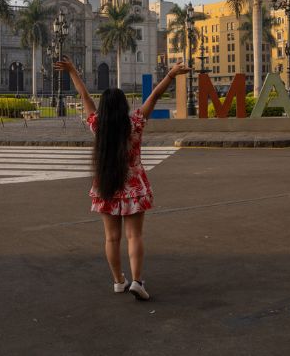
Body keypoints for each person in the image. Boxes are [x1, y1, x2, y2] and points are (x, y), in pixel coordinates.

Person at [55, 56, 189, 301]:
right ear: (123, 107)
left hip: (107, 185)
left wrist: (73, 70)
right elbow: (155, 97)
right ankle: (137, 281)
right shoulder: (135, 123)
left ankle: (118, 281)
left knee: (111, 238)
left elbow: (84, 97)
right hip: (134, 186)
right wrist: (171, 75)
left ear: (104, 108)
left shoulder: (98, 126)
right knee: (134, 236)